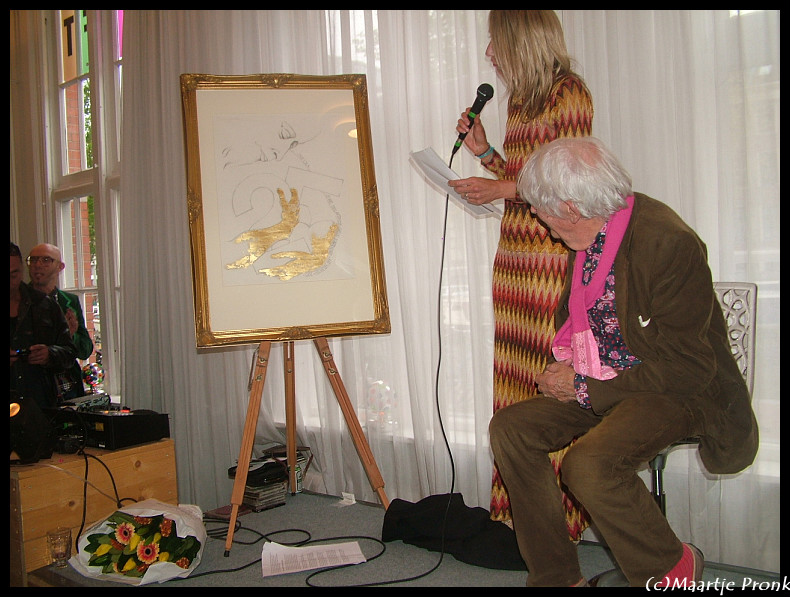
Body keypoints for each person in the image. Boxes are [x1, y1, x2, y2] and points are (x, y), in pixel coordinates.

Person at [488, 137, 759, 587]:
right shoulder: (590, 232)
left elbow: (688, 366)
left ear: (572, 208)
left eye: (540, 208)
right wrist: (572, 368)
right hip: (605, 376)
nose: (536, 215)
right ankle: (557, 577)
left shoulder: (669, 243)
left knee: (589, 465)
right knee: (512, 428)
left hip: (673, 388)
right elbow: (586, 318)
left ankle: (672, 567)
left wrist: (583, 387)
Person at [447, 10, 594, 538]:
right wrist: (485, 152)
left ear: (521, 39)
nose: (490, 52)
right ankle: (516, 517)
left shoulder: (567, 94)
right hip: (514, 263)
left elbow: (570, 182)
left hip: (553, 265)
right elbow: (524, 174)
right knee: (514, 387)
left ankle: (558, 522)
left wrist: (500, 189)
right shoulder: (522, 100)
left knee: (551, 391)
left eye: (495, 41)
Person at [10, 242, 78, 411]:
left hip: (40, 403)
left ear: (21, 270)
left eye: (14, 274)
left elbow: (69, 353)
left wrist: (49, 354)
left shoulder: (44, 304)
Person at [27, 243, 94, 401]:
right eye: (33, 260)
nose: (38, 265)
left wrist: (71, 335)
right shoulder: (19, 299)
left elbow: (85, 350)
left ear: (60, 267)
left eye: (45, 260)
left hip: (67, 386)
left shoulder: (69, 301)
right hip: (33, 385)